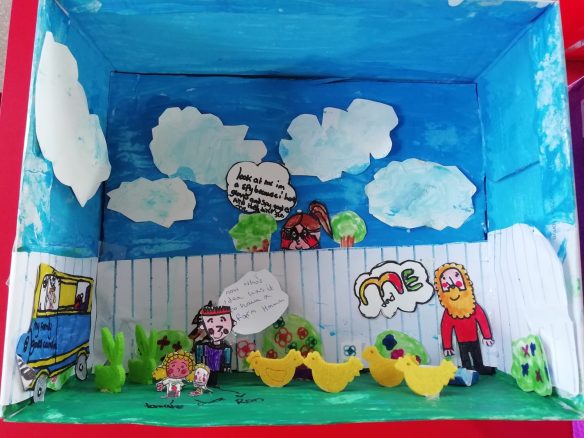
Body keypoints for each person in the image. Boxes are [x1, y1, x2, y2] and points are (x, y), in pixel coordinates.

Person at [434, 263, 496, 375]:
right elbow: (446, 328)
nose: (453, 289)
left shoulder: (473, 306)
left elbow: (482, 319)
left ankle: (479, 367)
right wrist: (447, 346)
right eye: (447, 286)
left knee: (477, 354)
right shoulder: (449, 312)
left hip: (474, 338)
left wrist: (487, 336)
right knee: (465, 358)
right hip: (461, 340)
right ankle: (467, 370)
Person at [189, 301, 233, 386]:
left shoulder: (219, 328)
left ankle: (211, 381)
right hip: (205, 350)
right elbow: (194, 337)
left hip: (214, 349)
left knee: (214, 366)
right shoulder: (202, 329)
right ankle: (204, 381)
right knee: (205, 367)